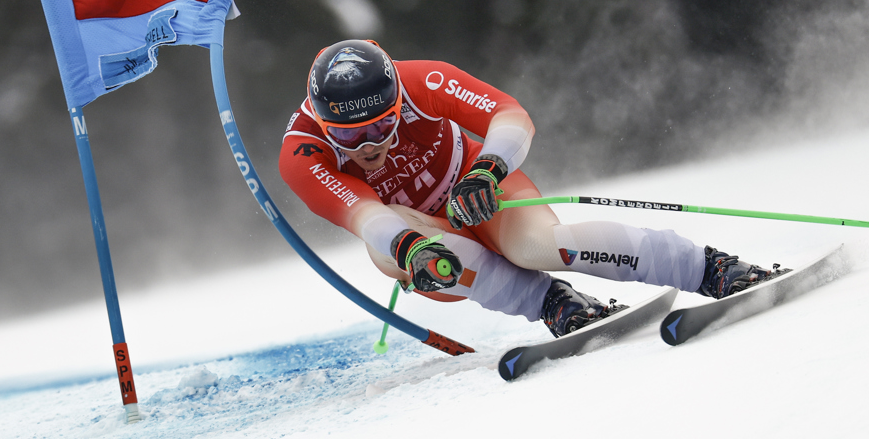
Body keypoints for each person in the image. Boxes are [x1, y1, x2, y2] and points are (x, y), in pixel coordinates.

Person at [279, 39, 783, 337]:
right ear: (323, 124)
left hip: (478, 192)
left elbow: (510, 115)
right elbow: (369, 217)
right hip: (413, 232)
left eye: (380, 127)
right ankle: (551, 303)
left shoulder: (421, 81)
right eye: (347, 134)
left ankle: (709, 267)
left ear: (396, 104)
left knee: (543, 246)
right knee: (403, 250)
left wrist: (488, 169)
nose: (366, 146)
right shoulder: (301, 154)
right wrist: (410, 247)